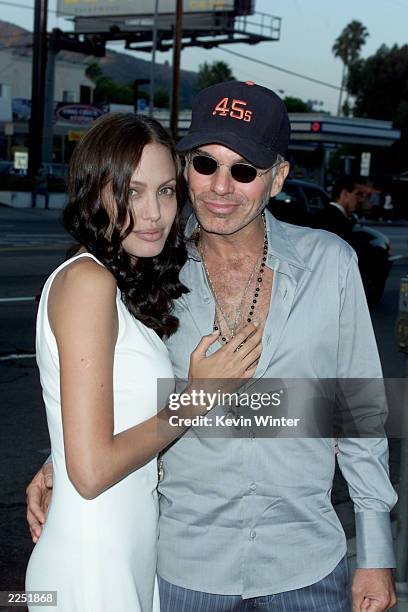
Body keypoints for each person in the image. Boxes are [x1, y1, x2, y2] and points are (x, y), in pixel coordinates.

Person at [27, 83, 397, 611]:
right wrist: (58, 460)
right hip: (184, 570)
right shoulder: (148, 269)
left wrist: (376, 554)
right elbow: (109, 386)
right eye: (205, 164)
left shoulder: (330, 264)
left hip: (305, 566)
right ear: (185, 167)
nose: (221, 187)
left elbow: (358, 409)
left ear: (277, 178)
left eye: (244, 169)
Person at [24, 112, 262, 612]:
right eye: (132, 192)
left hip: (127, 549)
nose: (154, 213)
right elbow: (90, 472)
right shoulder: (89, 282)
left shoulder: (117, 283)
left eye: (166, 191)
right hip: (93, 561)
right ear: (95, 191)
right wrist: (197, 399)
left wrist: (53, 462)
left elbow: (96, 421)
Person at [314, 176, 358, 243]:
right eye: (357, 194)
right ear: (345, 194)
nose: (359, 199)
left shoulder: (320, 215)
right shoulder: (339, 222)